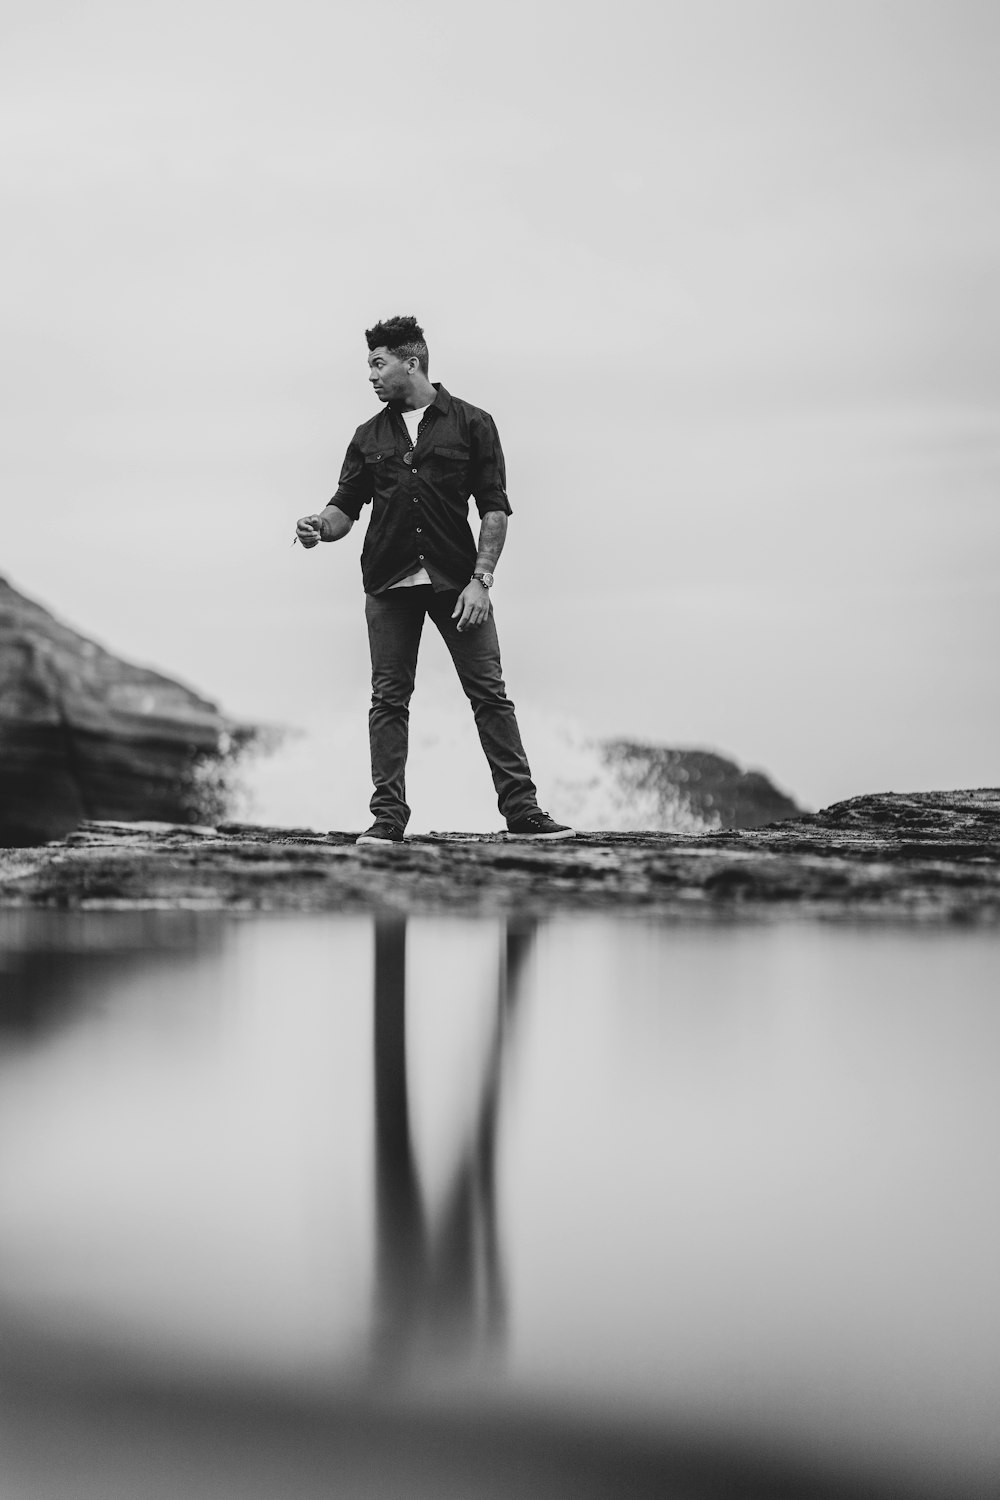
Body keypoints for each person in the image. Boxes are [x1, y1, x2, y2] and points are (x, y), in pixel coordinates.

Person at [295, 315, 574, 845]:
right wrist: (319, 527)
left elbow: (494, 508)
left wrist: (482, 579)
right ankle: (388, 820)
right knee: (388, 701)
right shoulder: (367, 436)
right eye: (369, 365)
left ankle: (523, 813)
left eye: (379, 364)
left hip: (458, 584)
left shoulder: (472, 423)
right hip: (388, 584)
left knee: (490, 694)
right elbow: (344, 508)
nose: (372, 376)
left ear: (412, 362)